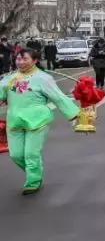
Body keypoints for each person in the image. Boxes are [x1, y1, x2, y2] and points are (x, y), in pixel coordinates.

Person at [0, 48, 80, 194]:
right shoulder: (8, 78)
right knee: (16, 155)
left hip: (37, 120)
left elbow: (58, 97)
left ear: (35, 60)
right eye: (18, 59)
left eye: (25, 59)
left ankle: (33, 181)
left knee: (31, 154)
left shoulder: (43, 78)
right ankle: (34, 172)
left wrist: (74, 116)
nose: (21, 62)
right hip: (15, 121)